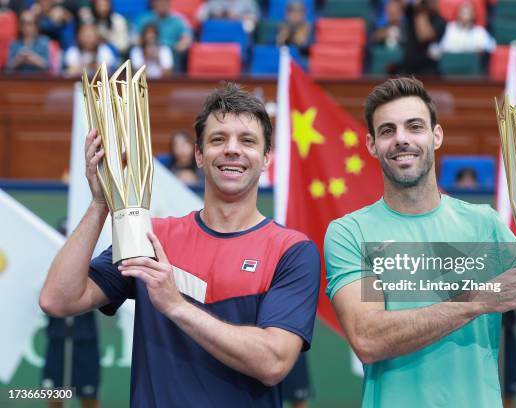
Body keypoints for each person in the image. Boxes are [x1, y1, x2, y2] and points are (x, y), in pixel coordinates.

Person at [39, 83, 321, 407]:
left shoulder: (293, 251)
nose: (232, 149)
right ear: (199, 155)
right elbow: (57, 299)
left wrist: (176, 306)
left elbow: (273, 363)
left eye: (247, 141)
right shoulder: (151, 237)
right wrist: (101, 201)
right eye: (218, 139)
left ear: (267, 157)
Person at [324, 77, 516, 407]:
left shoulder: (484, 225)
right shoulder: (350, 232)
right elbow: (368, 338)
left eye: (414, 127)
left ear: (436, 136)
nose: (401, 139)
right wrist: (481, 299)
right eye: (388, 131)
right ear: (372, 145)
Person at [42, 218, 100, 408]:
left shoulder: (92, 262)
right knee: (55, 394)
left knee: (89, 395)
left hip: (85, 339)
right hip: (57, 339)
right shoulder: (47, 264)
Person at [134, 0, 192, 71]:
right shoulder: (144, 19)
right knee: (136, 51)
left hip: (172, 51)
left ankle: (174, 80)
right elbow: (136, 37)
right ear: (153, 3)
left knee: (170, 54)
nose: (162, 4)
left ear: (169, 3)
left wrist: (179, 47)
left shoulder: (178, 20)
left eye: (165, 2)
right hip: (147, 48)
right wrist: (146, 46)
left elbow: (187, 38)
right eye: (159, 2)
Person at [401, 0, 446, 75]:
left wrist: (420, 10)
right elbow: (400, 5)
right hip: (408, 68)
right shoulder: (412, 12)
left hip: (428, 70)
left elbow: (424, 36)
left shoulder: (440, 20)